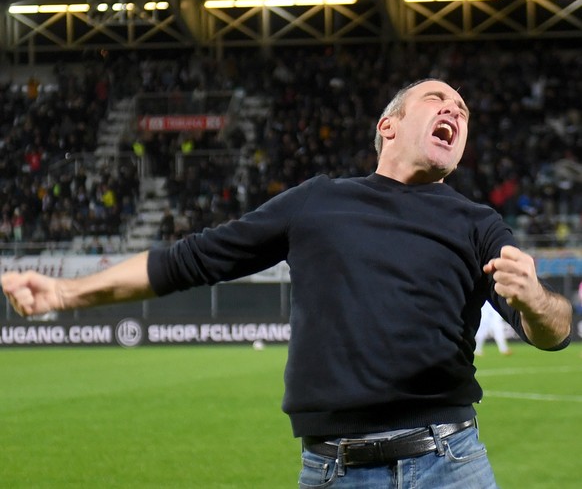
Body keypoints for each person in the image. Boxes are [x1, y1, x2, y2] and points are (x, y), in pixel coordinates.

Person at [1, 79, 572, 489]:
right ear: (388, 126)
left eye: (463, 109)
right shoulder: (318, 202)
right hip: (333, 471)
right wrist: (66, 294)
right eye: (438, 98)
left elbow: (554, 332)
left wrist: (537, 300)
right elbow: (189, 260)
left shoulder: (477, 223)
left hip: (450, 462)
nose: (455, 108)